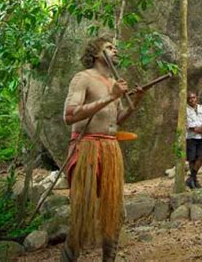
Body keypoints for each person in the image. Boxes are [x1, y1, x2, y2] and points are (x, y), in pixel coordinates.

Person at [61, 37, 144, 262]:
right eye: (109, 47)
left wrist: (133, 103)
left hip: (110, 149)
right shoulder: (83, 78)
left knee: (114, 214)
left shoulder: (113, 82)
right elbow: (69, 116)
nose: (115, 50)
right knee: (82, 213)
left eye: (115, 47)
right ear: (97, 54)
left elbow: (115, 120)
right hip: (87, 147)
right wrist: (110, 96)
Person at [186, 91, 202, 189]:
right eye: (190, 98)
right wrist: (201, 130)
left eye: (194, 97)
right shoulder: (186, 110)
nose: (192, 100)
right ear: (187, 100)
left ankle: (191, 178)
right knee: (192, 159)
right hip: (191, 137)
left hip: (201, 138)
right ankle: (194, 181)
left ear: (197, 98)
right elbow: (189, 125)